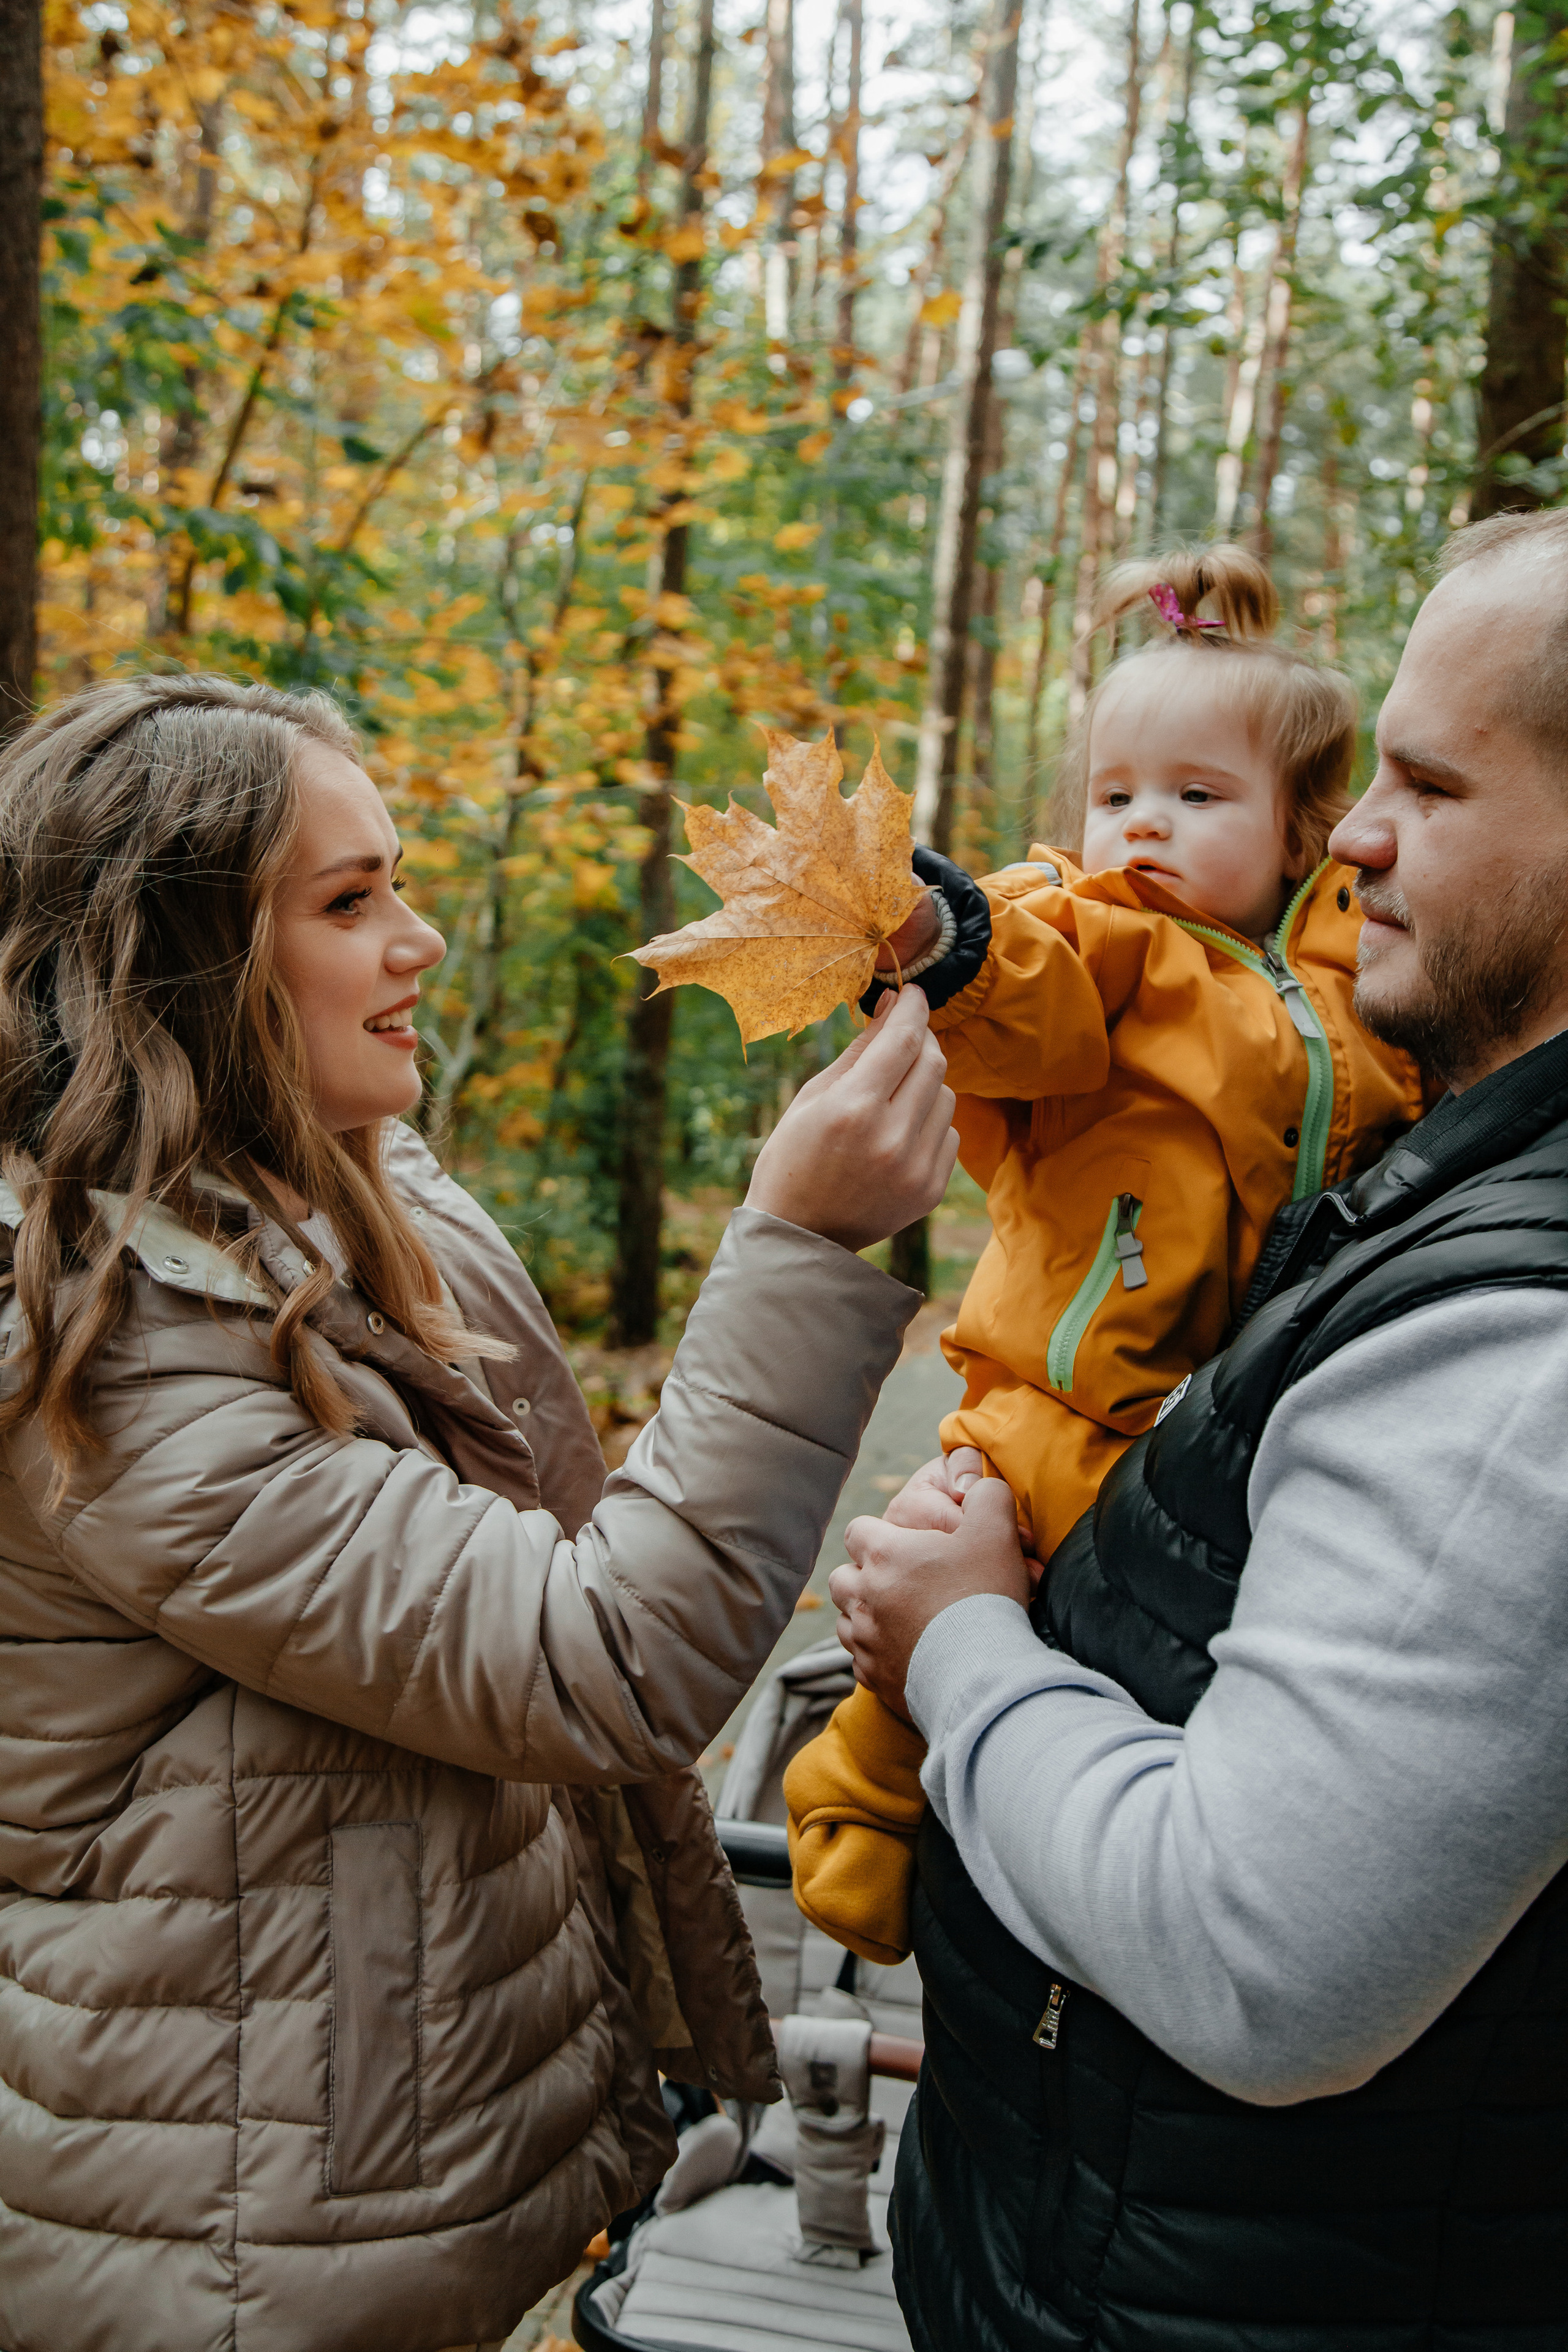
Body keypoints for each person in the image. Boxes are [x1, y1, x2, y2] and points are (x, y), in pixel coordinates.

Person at [0, 673, 958, 2352]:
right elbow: (602, 1652)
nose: (420, 940)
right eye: (352, 902)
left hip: (364, 2165)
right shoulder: (117, 1352)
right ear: (185, 966)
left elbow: (536, 1496)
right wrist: (798, 1246)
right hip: (240, 2244)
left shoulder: (331, 1192)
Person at [829, 507, 1568, 2349]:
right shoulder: (1433, 1117)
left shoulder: (1518, 1349)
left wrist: (966, 1649)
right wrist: (945, 928)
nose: (1364, 838)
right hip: (1131, 2252)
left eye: (1426, 785)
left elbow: (1263, 1961)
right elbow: (1029, 984)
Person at [785, 545, 1422, 1969]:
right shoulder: (1100, 947)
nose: (1141, 826)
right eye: (1115, 792)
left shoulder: (1349, 992)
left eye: (1196, 799)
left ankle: (1093, 1852)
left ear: (1300, 830)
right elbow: (1023, 1003)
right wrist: (942, 938)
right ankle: (860, 1802)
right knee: (963, 1574)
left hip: (1240, 1406)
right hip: (1056, 1395)